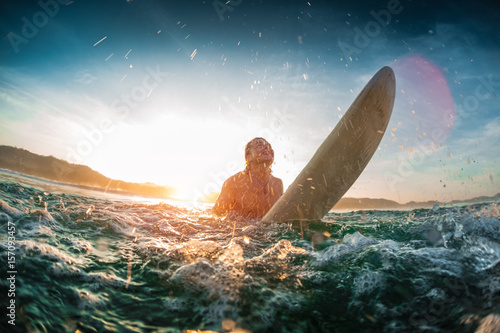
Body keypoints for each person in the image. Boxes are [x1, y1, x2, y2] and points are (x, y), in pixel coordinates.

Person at [212, 137, 283, 219]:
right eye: (259, 145)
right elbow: (215, 215)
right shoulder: (234, 182)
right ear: (248, 158)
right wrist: (226, 218)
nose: (267, 148)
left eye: (269, 146)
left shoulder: (277, 184)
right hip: (241, 230)